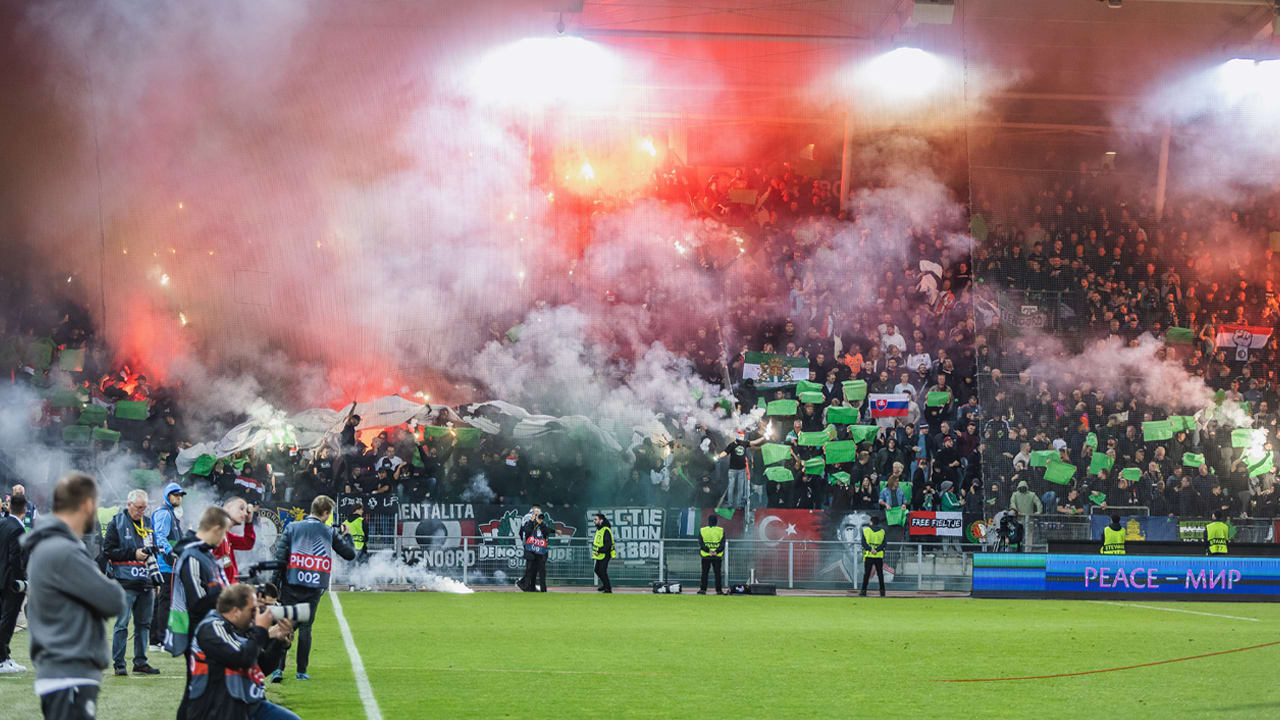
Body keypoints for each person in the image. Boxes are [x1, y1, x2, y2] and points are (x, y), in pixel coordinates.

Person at [21, 472, 126, 720]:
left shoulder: (51, 545)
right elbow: (114, 600)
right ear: (88, 504)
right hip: (68, 673)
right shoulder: (63, 550)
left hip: (62, 670)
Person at [183, 582, 301, 720]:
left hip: (247, 703)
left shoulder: (242, 627)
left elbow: (261, 667)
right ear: (235, 611)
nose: (256, 614)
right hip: (218, 707)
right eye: (252, 610)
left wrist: (279, 643)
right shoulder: (211, 627)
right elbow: (242, 659)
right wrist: (262, 630)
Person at [271, 494, 355, 682]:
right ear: (325, 512)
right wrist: (347, 535)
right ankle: (301, 671)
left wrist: (273, 585)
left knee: (284, 624)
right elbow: (349, 554)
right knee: (306, 629)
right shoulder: (328, 532)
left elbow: (280, 558)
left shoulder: (292, 527)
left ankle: (277, 669)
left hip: (291, 583)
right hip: (314, 586)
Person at [168, 506, 233, 719]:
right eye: (223, 533)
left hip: (205, 628)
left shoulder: (205, 554)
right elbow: (197, 603)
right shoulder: (192, 556)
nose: (223, 538)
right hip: (194, 630)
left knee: (201, 690)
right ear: (215, 529)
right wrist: (231, 598)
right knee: (195, 690)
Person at [102, 489, 159, 676]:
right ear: (129, 504)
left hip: (146, 582)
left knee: (144, 624)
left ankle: (140, 662)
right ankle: (119, 663)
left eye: (145, 508)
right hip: (124, 582)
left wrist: (156, 578)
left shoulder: (149, 523)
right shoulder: (116, 523)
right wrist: (133, 554)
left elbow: (154, 551)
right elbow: (108, 551)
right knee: (121, 624)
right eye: (139, 507)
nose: (142, 511)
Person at [150, 481, 186, 648]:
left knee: (162, 601)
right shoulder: (164, 514)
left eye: (180, 496)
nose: (179, 498)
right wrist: (170, 552)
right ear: (168, 496)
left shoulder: (170, 513)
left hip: (167, 563)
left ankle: (156, 639)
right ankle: (161, 639)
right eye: (176, 495)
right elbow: (160, 536)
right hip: (166, 564)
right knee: (165, 600)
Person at [0, 493, 28, 674]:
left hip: (2, 578)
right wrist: (22, 582)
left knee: (5, 619)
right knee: (8, 621)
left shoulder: (3, 524)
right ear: (25, 510)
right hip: (11, 582)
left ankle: (6, 657)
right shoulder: (17, 529)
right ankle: (2, 660)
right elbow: (15, 559)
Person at [213, 497, 256, 583]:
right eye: (241, 508)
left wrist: (249, 522)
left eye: (246, 511)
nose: (245, 514)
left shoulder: (227, 535)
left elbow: (248, 543)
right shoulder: (215, 532)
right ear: (228, 507)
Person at [517, 506, 557, 592]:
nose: (538, 515)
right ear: (532, 514)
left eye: (539, 513)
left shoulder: (542, 524)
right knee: (530, 569)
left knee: (540, 570)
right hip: (531, 549)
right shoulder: (528, 522)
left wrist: (541, 523)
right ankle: (527, 587)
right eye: (536, 514)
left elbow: (546, 531)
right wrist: (532, 521)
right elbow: (526, 531)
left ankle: (541, 589)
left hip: (540, 550)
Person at [697, 514, 725, 595]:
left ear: (708, 521)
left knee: (704, 573)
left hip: (706, 555)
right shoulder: (721, 530)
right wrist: (716, 551)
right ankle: (719, 590)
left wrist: (708, 550)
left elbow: (701, 543)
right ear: (716, 521)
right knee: (718, 574)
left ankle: (703, 589)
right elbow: (722, 543)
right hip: (717, 556)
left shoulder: (703, 530)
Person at [859, 514, 886, 597]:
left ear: (871, 522)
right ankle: (882, 591)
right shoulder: (882, 531)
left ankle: (863, 591)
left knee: (866, 574)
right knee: (880, 574)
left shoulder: (865, 530)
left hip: (869, 555)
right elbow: (884, 544)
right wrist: (876, 550)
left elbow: (863, 543)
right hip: (878, 556)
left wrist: (871, 550)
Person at [591, 512, 615, 593]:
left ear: (601, 520)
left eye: (596, 519)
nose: (594, 521)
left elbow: (608, 545)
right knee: (597, 570)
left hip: (606, 554)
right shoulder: (599, 529)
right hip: (600, 554)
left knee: (602, 571)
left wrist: (599, 550)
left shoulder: (606, 530)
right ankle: (605, 585)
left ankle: (608, 588)